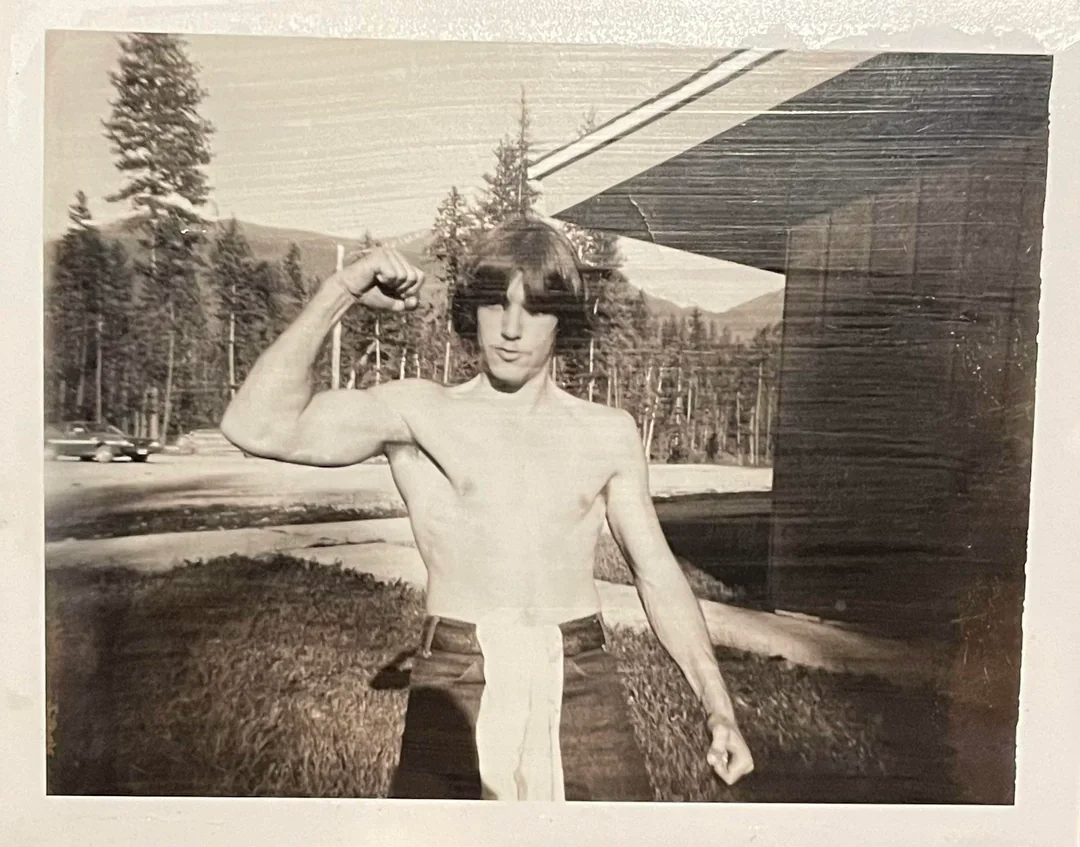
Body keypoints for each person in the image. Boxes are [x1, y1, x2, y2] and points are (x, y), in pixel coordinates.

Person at [221, 217, 753, 801]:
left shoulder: (608, 432)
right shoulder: (419, 414)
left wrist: (718, 708)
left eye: (535, 308)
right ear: (471, 311)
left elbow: (655, 573)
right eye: (495, 303)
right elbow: (255, 424)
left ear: (563, 320)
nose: (511, 328)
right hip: (456, 676)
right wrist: (342, 289)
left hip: (582, 677)